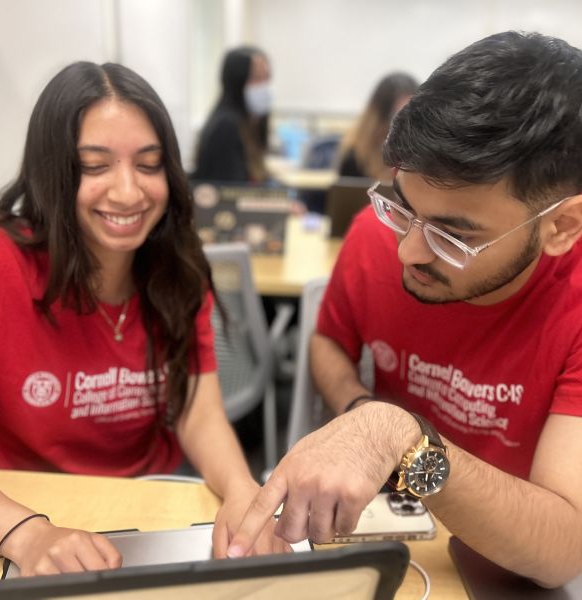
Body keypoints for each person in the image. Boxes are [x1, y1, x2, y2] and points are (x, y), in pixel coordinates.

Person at [227, 31, 582, 588]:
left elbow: (561, 551)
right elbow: (328, 342)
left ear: (561, 227)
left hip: (507, 556)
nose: (408, 250)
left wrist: (403, 438)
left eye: (453, 236)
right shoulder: (376, 237)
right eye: (403, 206)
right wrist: (358, 406)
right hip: (392, 535)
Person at [0, 61, 288, 576]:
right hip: (18, 508)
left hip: (148, 507)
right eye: (95, 166)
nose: (128, 192)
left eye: (149, 165)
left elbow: (199, 410)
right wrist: (25, 533)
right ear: (52, 171)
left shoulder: (176, 264)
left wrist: (242, 492)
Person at [193, 46, 271, 182]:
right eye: (256, 78)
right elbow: (232, 193)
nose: (264, 86)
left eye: (267, 78)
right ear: (236, 81)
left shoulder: (247, 123)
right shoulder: (226, 126)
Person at [336, 72, 418, 181]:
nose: (407, 124)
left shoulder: (420, 153)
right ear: (381, 117)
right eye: (398, 115)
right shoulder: (356, 156)